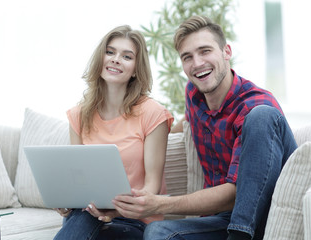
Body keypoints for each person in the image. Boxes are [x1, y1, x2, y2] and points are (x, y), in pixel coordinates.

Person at [112, 16, 298, 240]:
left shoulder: (254, 105)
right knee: (157, 233)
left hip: (263, 212)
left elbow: (238, 193)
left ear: (226, 52)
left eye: (205, 51)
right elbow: (185, 122)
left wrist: (160, 204)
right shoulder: (194, 94)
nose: (197, 63)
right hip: (222, 220)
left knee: (262, 116)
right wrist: (141, 137)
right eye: (187, 57)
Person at [53, 25, 174, 240]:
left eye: (126, 56)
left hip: (133, 220)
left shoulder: (153, 114)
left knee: (86, 220)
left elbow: (151, 189)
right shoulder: (79, 115)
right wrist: (67, 199)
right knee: (84, 214)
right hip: (88, 214)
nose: (116, 59)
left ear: (136, 69)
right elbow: (78, 179)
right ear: (100, 59)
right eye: (110, 52)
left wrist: (113, 211)